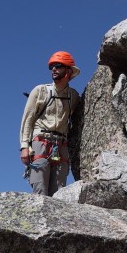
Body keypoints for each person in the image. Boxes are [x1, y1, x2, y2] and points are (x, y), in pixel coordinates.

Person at [20, 50, 81, 196]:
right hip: (40, 143)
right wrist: (24, 147)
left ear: (68, 70)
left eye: (58, 66)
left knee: (59, 194)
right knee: (39, 191)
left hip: (61, 146)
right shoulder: (40, 91)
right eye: (51, 66)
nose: (53, 69)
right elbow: (27, 120)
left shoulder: (73, 96)